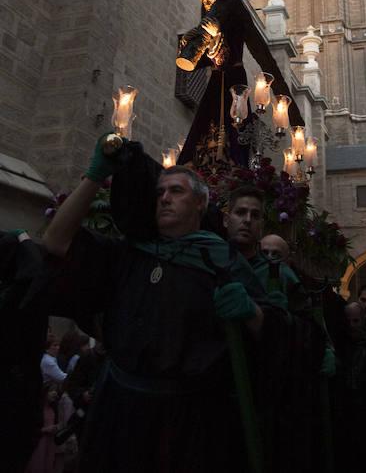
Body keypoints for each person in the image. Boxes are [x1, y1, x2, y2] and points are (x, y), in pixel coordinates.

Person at [42, 141, 273, 473]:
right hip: (118, 415)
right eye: (160, 191)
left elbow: (271, 332)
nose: (164, 197)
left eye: (176, 191)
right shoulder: (130, 253)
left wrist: (251, 311)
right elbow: (55, 241)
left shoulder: (222, 260)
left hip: (187, 424)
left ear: (200, 203)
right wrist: (95, 176)